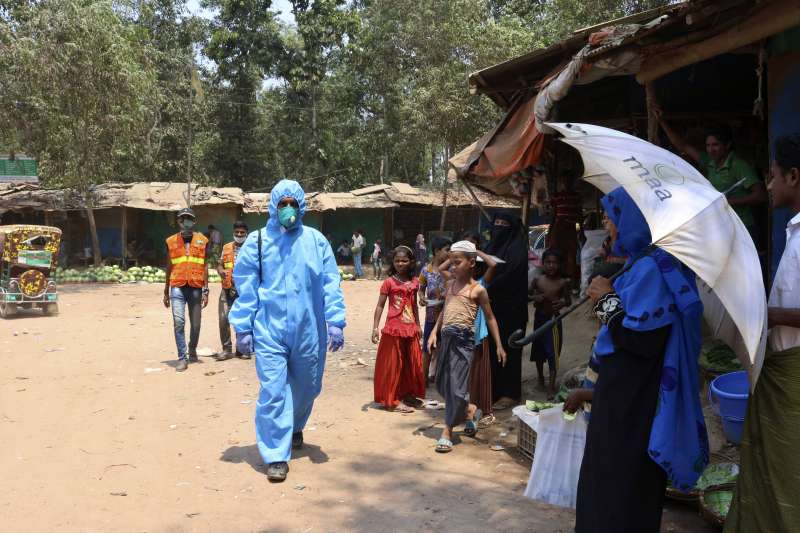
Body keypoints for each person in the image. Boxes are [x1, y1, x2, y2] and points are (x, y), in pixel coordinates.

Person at [576, 187, 708, 532]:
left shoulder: (652, 269)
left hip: (633, 403)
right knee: (607, 486)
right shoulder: (638, 265)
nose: (606, 222)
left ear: (634, 219)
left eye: (612, 214)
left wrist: (605, 301)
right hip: (621, 397)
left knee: (619, 493)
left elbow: (640, 341)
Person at [229, 180, 345, 483]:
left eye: (294, 203)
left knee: (308, 385)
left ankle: (293, 425)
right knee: (274, 391)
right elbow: (246, 286)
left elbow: (331, 282)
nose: (289, 209)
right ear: (273, 206)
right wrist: (243, 326)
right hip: (269, 328)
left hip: (309, 329)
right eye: (283, 204)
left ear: (302, 206)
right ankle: (276, 455)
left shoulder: (316, 241)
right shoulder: (257, 241)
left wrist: (335, 320)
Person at [725, 134, 800, 533]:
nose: (768, 185)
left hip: (793, 374)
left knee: (790, 471)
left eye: (772, 176)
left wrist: (763, 313)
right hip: (782, 370)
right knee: (777, 471)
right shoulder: (794, 231)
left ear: (794, 175)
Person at [428, 240, 506, 453]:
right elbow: (445, 309)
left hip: (464, 342)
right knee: (442, 384)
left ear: (472, 263)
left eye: (457, 262)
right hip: (446, 339)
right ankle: (471, 410)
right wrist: (434, 332)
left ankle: (447, 430)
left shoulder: (477, 289)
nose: (452, 266)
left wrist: (499, 345)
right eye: (451, 262)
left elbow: (490, 318)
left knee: (457, 387)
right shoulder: (450, 284)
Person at [655, 111, 767, 238]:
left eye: (715, 145)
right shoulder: (710, 162)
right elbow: (683, 147)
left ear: (727, 145)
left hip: (742, 227)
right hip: (722, 226)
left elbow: (760, 196)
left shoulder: (738, 165)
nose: (711, 150)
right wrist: (661, 122)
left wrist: (729, 201)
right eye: (708, 145)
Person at [371, 246, 424, 412]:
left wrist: (418, 324)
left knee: (411, 363)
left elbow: (414, 304)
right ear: (392, 262)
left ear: (411, 262)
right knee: (393, 364)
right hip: (393, 328)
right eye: (397, 261)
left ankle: (407, 395)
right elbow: (380, 305)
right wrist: (375, 327)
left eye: (404, 260)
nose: (400, 263)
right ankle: (391, 400)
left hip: (410, 328)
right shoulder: (389, 282)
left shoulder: (414, 282)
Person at [484, 212, 529, 409]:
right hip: (492, 307)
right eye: (497, 223)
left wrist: (487, 287)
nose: (499, 227)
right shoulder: (490, 247)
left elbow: (512, 274)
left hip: (511, 309)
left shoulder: (517, 249)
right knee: (493, 348)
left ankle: (510, 393)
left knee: (510, 348)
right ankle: (492, 390)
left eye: (504, 224)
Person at [162, 208, 209, 372]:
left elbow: (205, 266)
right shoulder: (170, 241)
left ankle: (192, 348)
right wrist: (166, 290)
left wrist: (206, 290)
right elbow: (169, 265)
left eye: (189, 218)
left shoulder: (203, 240)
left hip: (196, 286)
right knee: (179, 322)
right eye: (182, 219)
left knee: (196, 325)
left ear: (194, 221)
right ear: (178, 221)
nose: (185, 222)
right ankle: (182, 357)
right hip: (177, 286)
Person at [531, 249, 571, 397]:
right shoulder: (537, 280)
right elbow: (529, 295)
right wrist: (536, 297)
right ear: (543, 264)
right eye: (548, 262)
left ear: (559, 265)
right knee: (538, 349)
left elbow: (568, 301)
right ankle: (540, 377)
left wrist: (561, 303)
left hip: (553, 321)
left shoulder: (563, 283)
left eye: (555, 263)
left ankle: (551, 385)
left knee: (552, 352)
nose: (551, 266)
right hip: (539, 318)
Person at [215, 220, 250, 361]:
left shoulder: (251, 248)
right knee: (223, 319)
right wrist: (221, 271)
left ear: (247, 234)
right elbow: (219, 265)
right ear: (233, 233)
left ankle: (242, 349)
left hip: (244, 291)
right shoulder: (226, 247)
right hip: (227, 289)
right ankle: (226, 349)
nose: (239, 234)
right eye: (237, 232)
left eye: (242, 232)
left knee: (243, 320)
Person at [418, 237, 451, 383]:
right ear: (437, 251)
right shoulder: (426, 270)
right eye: (447, 250)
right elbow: (421, 289)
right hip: (431, 315)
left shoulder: (452, 269)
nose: (449, 253)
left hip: (448, 315)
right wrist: (421, 297)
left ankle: (442, 380)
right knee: (427, 348)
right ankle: (423, 380)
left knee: (445, 348)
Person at [549, 171, 582, 288]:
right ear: (562, 182)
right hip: (559, 228)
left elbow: (580, 215)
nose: (566, 183)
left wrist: (581, 232)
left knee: (571, 256)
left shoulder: (576, 196)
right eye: (564, 180)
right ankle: (557, 282)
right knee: (556, 255)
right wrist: (549, 232)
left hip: (571, 228)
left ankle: (571, 284)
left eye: (569, 180)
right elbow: (553, 216)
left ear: (572, 182)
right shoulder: (557, 196)